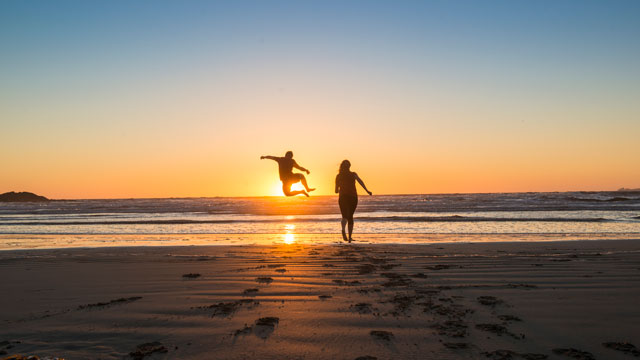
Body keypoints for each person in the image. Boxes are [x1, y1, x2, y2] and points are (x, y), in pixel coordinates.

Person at [334, 160, 372, 242]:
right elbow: (360, 182)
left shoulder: (338, 176)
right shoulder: (353, 174)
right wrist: (367, 190)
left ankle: (343, 230)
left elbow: (336, 191)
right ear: (349, 166)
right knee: (350, 216)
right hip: (353, 197)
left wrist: (340, 189)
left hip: (343, 197)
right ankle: (350, 237)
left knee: (344, 216)